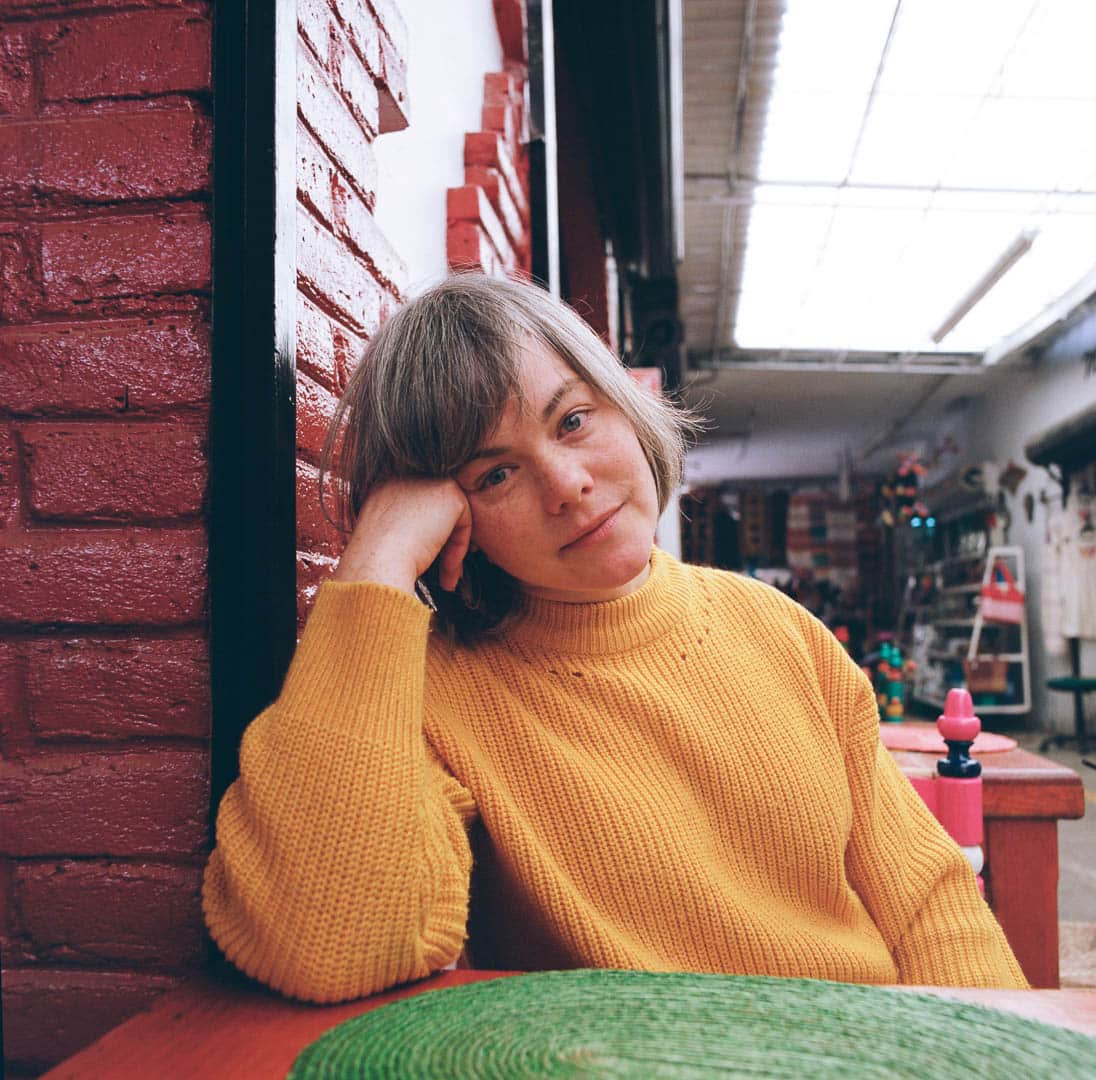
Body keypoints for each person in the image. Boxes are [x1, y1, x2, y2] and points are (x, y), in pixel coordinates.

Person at [202, 273, 1028, 1003]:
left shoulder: (782, 632)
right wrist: (376, 566)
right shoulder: (424, 690)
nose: (567, 486)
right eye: (495, 474)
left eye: (571, 421)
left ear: (625, 408)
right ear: (455, 523)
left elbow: (929, 904)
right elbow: (326, 943)